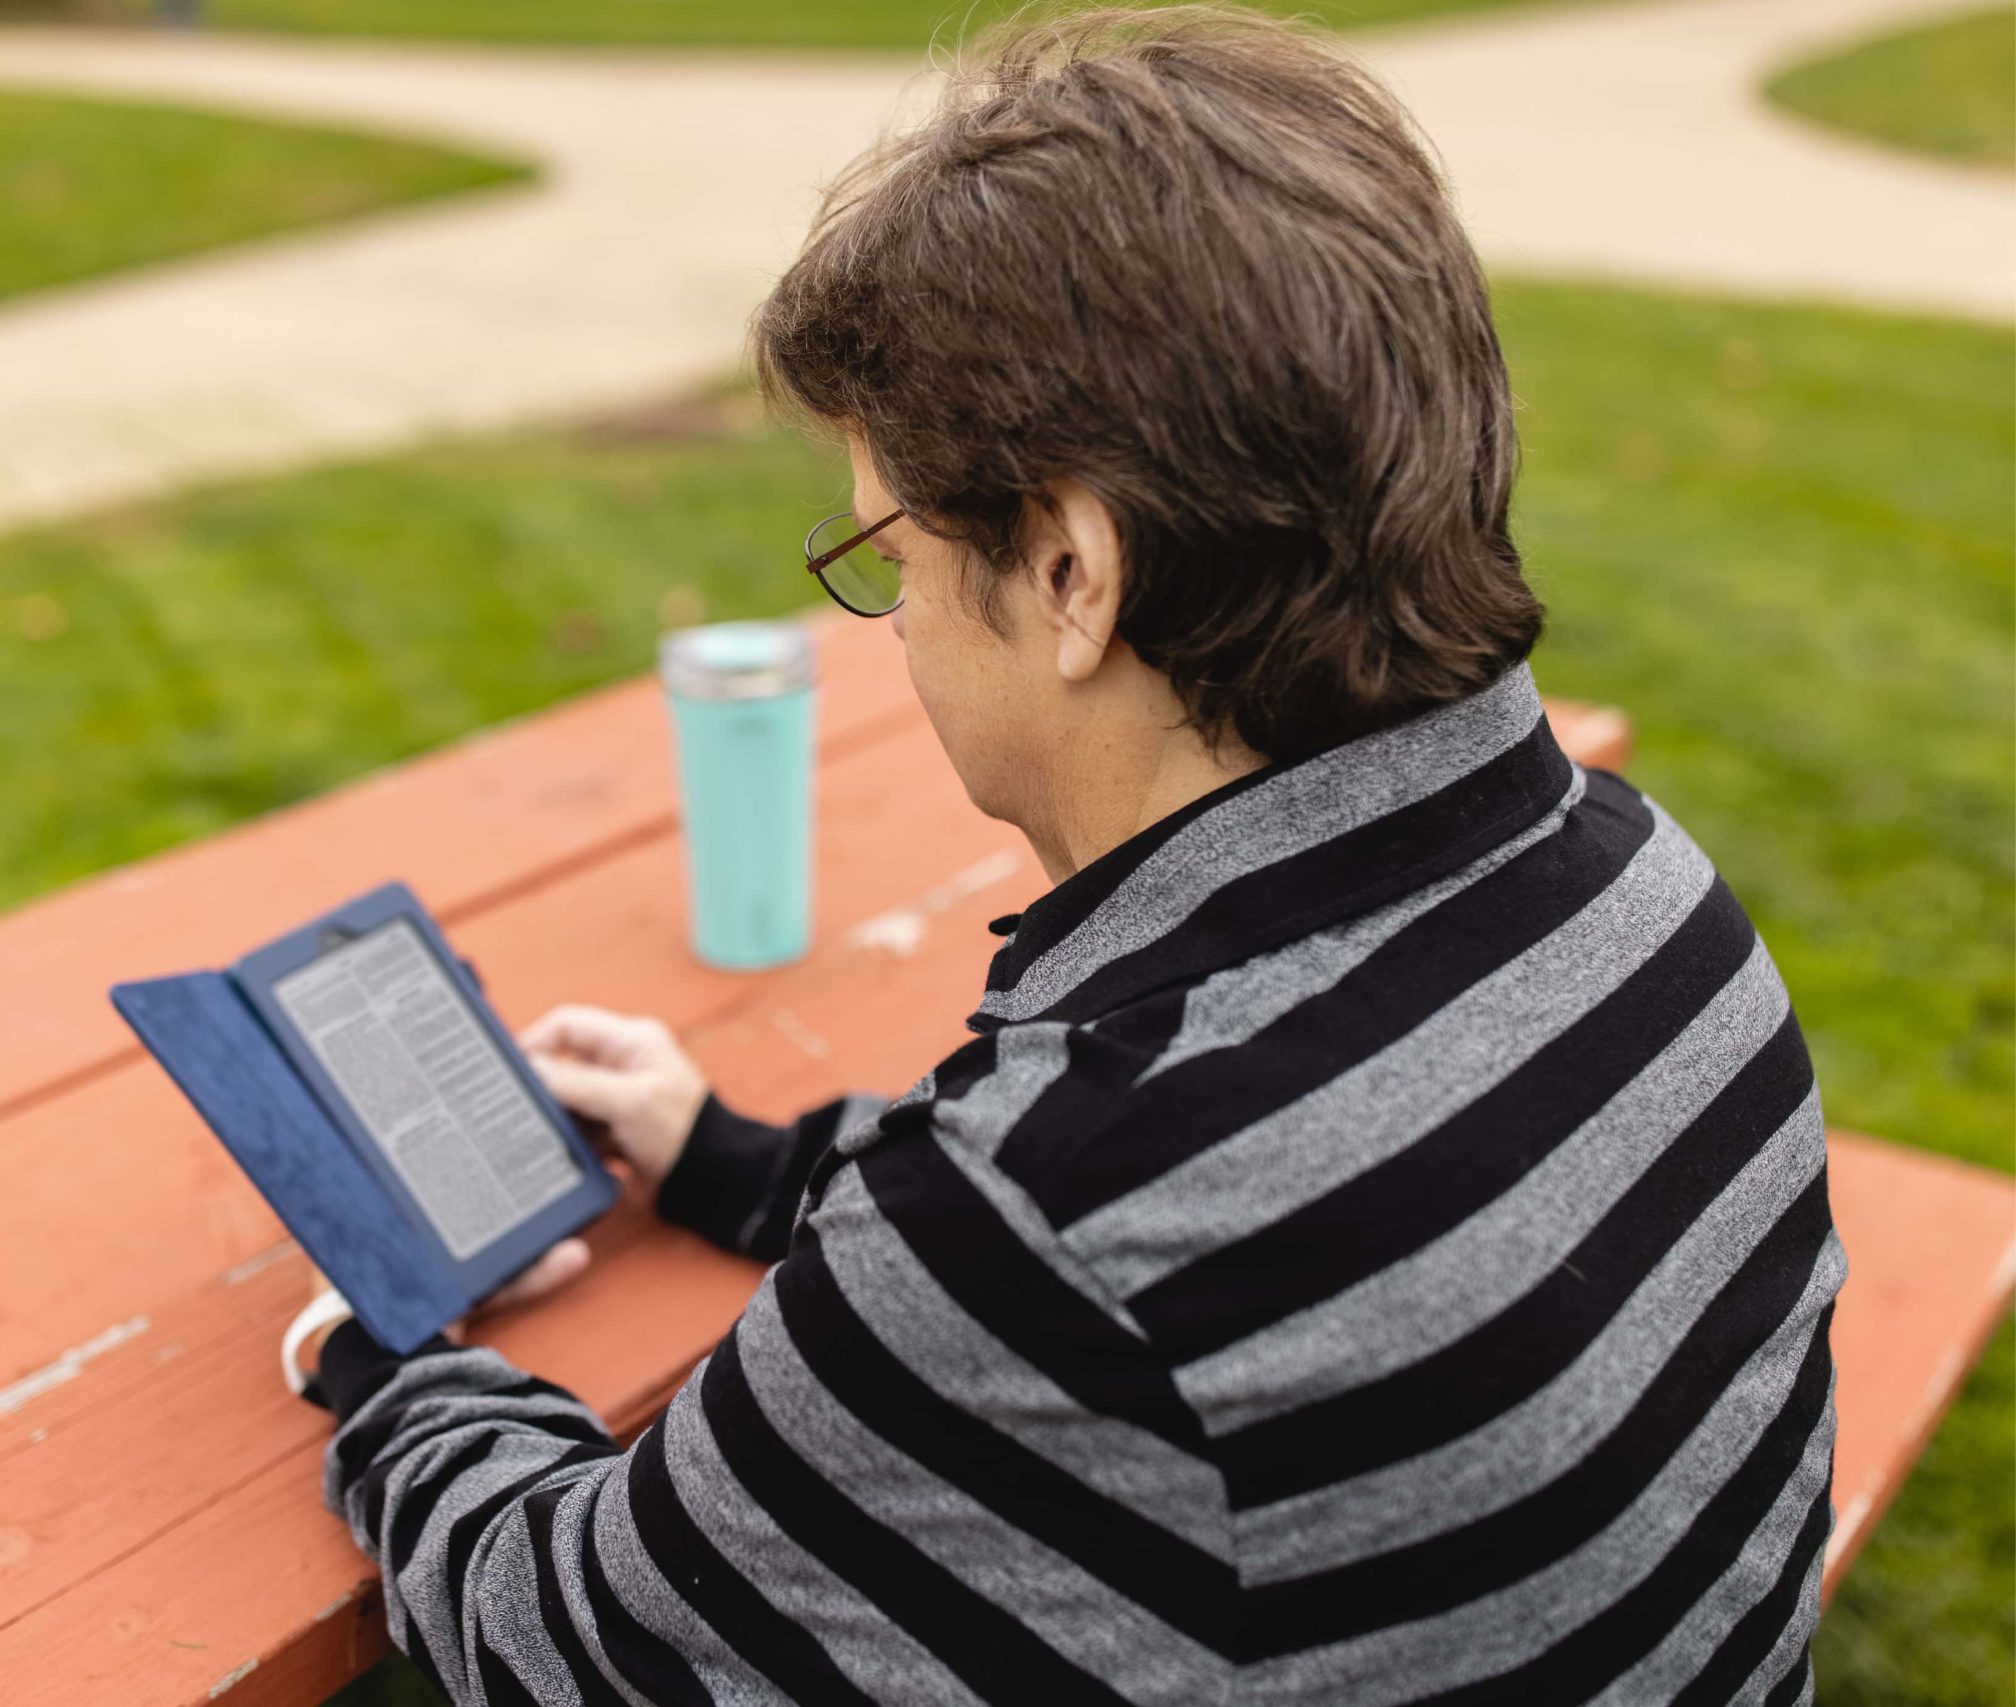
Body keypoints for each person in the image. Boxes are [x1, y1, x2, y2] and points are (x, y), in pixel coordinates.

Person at [292, 8, 1842, 1702]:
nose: (889, 627)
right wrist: (735, 1160)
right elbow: (1206, 1255)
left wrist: (384, 1361)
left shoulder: (1063, 1213)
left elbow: (575, 1636)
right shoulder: (1637, 890)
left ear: (1070, 574)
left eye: (890, 545)